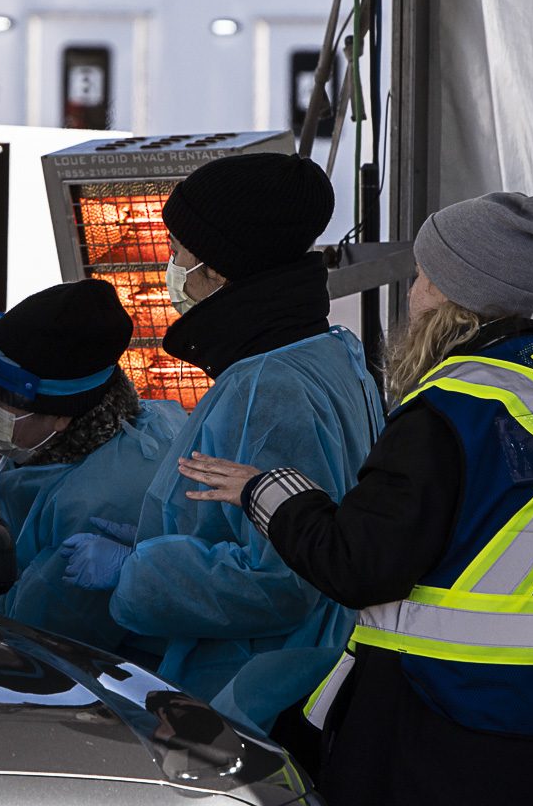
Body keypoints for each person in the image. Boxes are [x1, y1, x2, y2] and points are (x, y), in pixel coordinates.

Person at [180, 192, 533, 806]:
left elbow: (360, 563)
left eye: (419, 276)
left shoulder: (448, 408)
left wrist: (269, 493)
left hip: (436, 746)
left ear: (443, 290)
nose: (412, 293)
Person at [57, 152, 384, 752]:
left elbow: (281, 580)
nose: (171, 267)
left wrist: (135, 571)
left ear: (224, 267)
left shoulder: (268, 384)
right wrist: (148, 540)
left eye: (180, 249)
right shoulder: (328, 351)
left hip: (253, 693)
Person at [0, 279, 185, 657]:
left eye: (6, 403)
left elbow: (35, 640)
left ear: (61, 417)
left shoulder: (100, 501)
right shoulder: (66, 446)